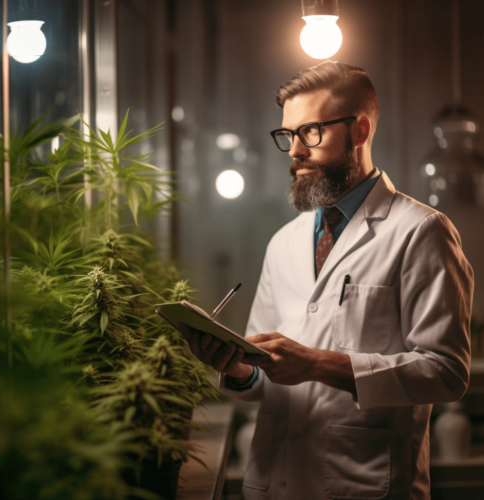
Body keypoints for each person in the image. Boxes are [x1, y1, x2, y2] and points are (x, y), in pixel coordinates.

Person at [182, 61, 474, 500]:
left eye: (310, 132)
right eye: (288, 135)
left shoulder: (421, 231)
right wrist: (236, 366)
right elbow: (263, 378)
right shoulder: (284, 242)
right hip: (274, 482)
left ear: (360, 131)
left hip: (365, 484)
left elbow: (447, 372)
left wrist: (319, 364)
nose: (295, 150)